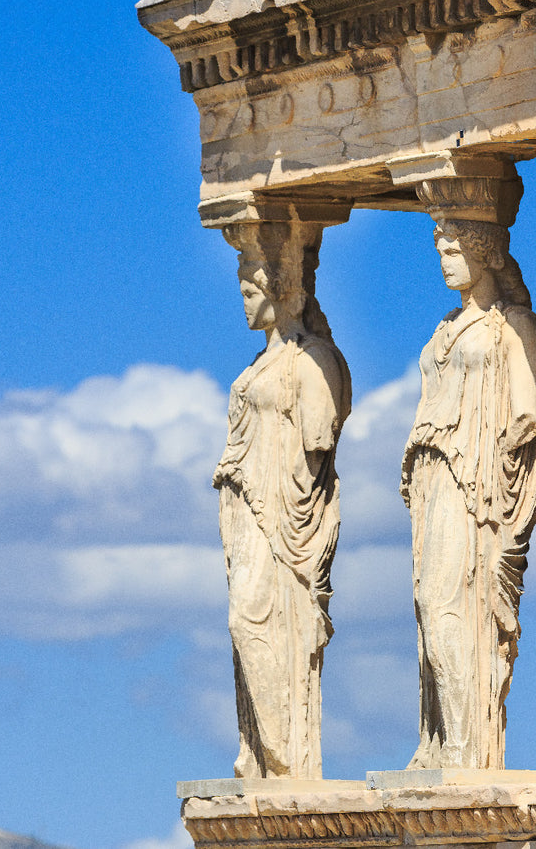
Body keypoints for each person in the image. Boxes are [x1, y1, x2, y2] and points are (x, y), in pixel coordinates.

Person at [403, 218, 536, 770]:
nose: (443, 257)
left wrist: (498, 457)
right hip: (434, 480)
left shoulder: (514, 325)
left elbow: (525, 415)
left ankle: (468, 747)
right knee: (428, 610)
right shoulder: (445, 327)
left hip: (477, 487)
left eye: (454, 247)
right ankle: (440, 739)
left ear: (485, 252)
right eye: (439, 247)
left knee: (449, 606)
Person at [213, 224, 351, 778]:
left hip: (284, 516)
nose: (243, 300)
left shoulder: (312, 359)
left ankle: (286, 758)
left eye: (251, 290)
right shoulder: (258, 364)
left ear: (280, 289)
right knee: (242, 622)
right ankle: (266, 759)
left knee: (251, 621)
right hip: (247, 511)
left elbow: (321, 433)